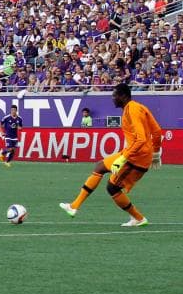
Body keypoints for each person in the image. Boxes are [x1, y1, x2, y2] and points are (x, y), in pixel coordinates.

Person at [60, 83, 162, 227]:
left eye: (114, 95)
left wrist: (123, 158)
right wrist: (156, 153)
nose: (112, 98)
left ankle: (75, 206)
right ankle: (74, 206)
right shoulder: (139, 107)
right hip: (138, 155)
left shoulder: (132, 110)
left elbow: (141, 139)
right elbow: (157, 131)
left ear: (123, 96)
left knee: (107, 178)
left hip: (135, 158)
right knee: (106, 177)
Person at [0, 102, 23, 167]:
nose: (13, 111)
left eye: (14, 110)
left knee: (13, 151)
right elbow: (0, 124)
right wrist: (1, 132)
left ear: (16, 111)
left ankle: (7, 162)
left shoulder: (19, 119)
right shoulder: (7, 117)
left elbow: (21, 127)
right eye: (12, 110)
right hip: (8, 136)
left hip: (15, 137)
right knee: (10, 149)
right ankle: (2, 153)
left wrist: (19, 127)